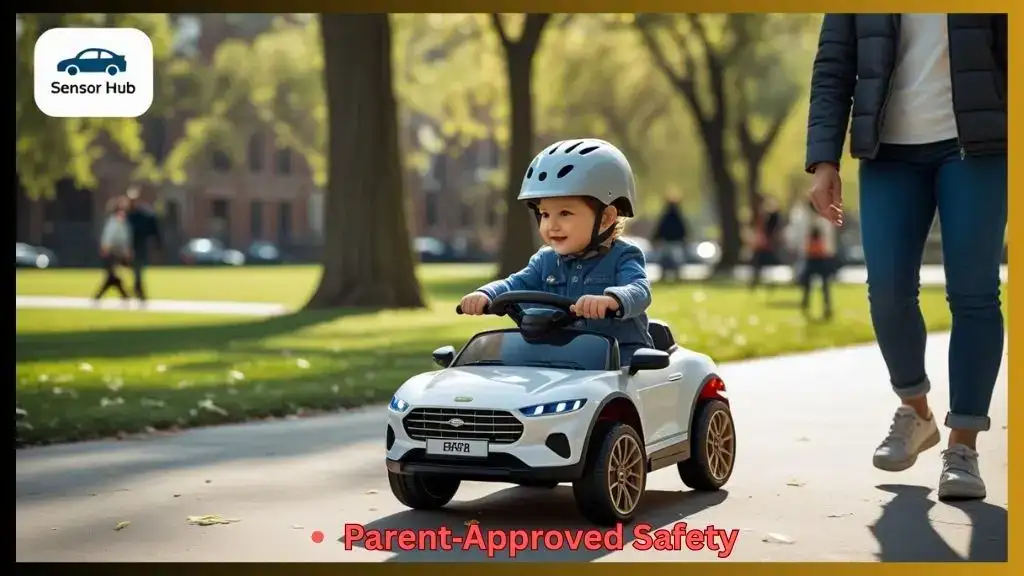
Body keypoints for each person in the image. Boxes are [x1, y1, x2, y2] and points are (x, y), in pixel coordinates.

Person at [805, 14, 1006, 500]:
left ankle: (963, 446)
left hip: (978, 146)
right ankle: (916, 411)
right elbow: (834, 65)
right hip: (887, 151)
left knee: (974, 292)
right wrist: (824, 159)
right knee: (888, 292)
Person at [458, 138, 654, 365]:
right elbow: (513, 285)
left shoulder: (623, 256)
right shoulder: (545, 260)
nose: (551, 225)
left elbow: (639, 290)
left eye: (565, 213)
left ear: (606, 218)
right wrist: (487, 294)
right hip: (560, 359)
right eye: (545, 214)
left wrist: (613, 300)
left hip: (618, 361)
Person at [786, 201, 838, 320]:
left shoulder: (824, 221)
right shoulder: (806, 220)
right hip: (811, 256)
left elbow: (829, 238)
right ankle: (806, 306)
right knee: (808, 284)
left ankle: (826, 307)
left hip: (821, 256)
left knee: (823, 285)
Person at [124, 187, 163, 304]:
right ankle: (134, 291)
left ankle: (137, 291)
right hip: (125, 246)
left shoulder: (144, 215)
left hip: (138, 245)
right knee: (132, 270)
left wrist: (157, 243)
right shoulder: (126, 215)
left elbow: (153, 229)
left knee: (138, 269)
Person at [93, 196, 133, 302]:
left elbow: (125, 239)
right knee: (112, 276)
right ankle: (125, 295)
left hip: (117, 252)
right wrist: (106, 248)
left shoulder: (122, 223)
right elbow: (109, 237)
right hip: (112, 252)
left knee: (112, 276)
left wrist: (126, 250)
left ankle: (123, 295)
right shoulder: (114, 222)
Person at [650, 190, 689, 282]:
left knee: (665, 260)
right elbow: (682, 228)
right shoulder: (678, 215)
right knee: (676, 260)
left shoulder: (666, 215)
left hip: (667, 241)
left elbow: (661, 228)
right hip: (675, 241)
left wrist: (655, 238)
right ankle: (676, 276)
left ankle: (665, 276)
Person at [748, 196, 782, 291]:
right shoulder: (760, 216)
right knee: (757, 264)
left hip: (766, 244)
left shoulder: (770, 217)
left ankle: (760, 282)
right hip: (761, 244)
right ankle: (756, 282)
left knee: (764, 263)